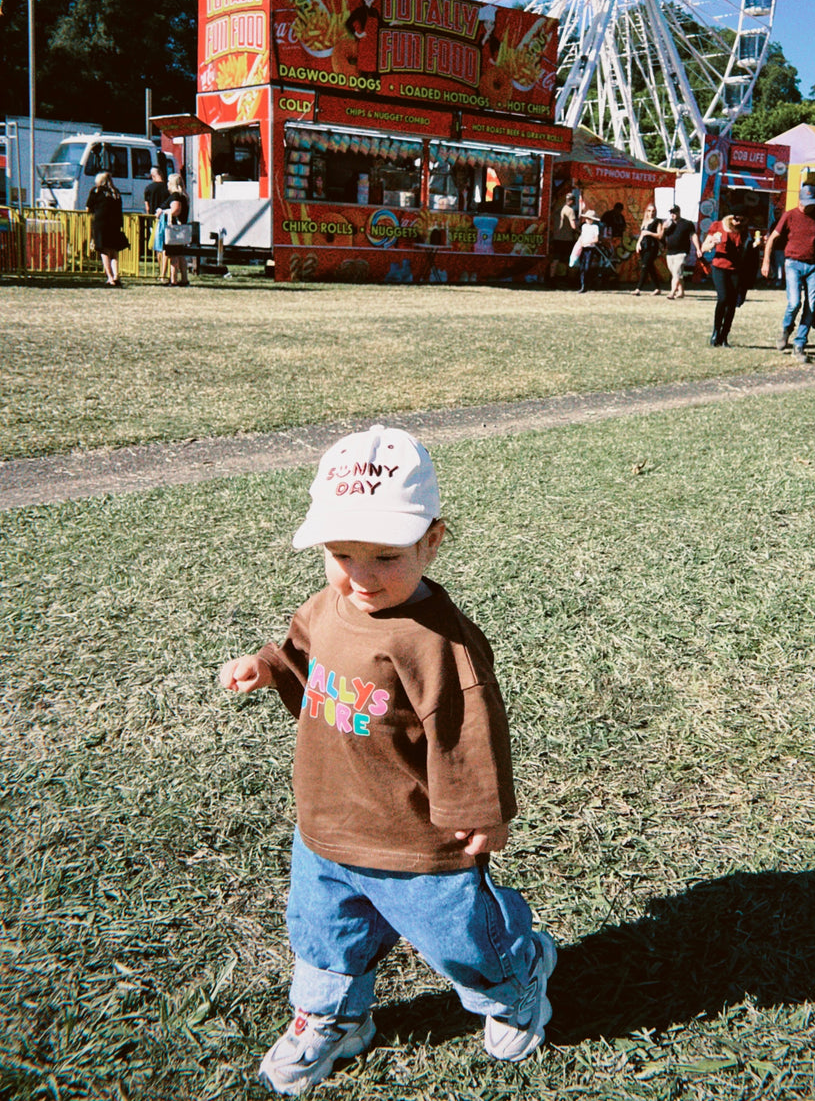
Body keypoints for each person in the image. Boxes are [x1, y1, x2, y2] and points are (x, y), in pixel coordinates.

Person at [219, 425, 555, 1094]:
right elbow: (302, 651)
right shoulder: (328, 604)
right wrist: (267, 665)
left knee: (460, 936)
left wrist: (481, 812)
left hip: (415, 838)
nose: (360, 576)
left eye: (385, 556)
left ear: (433, 538)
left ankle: (518, 975)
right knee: (323, 933)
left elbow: (468, 733)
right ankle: (332, 1018)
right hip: (327, 824)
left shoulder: (436, 642)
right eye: (342, 553)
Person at [760, 186, 815, 364]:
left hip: (814, 266)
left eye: (813, 204)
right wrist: (766, 262)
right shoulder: (789, 215)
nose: (810, 207)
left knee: (812, 305)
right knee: (794, 303)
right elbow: (772, 238)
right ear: (800, 200)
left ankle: (799, 345)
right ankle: (786, 329)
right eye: (807, 204)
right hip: (793, 263)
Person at [701, 213, 746, 346]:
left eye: (742, 220)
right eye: (736, 219)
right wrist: (712, 244)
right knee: (723, 298)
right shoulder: (717, 226)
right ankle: (716, 331)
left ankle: (724, 336)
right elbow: (704, 247)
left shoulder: (743, 230)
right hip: (719, 267)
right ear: (730, 217)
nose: (738, 222)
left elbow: (746, 249)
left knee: (732, 303)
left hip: (736, 269)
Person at [85, 171, 128, 287]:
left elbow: (88, 208)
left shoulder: (96, 191)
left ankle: (110, 277)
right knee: (114, 251)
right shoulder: (116, 192)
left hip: (101, 223)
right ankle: (116, 275)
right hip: (115, 223)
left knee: (104, 251)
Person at [661, 205, 700, 300]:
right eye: (671, 212)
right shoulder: (668, 225)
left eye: (674, 212)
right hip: (670, 252)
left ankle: (672, 292)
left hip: (682, 252)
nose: (672, 214)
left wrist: (698, 248)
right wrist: (663, 228)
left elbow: (693, 236)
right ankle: (681, 291)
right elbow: (661, 237)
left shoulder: (687, 223)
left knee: (677, 272)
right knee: (676, 273)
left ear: (679, 212)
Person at [144, 166, 171, 284]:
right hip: (167, 219)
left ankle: (161, 270)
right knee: (166, 247)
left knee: (158, 247)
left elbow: (147, 207)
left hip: (154, 220)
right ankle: (165, 272)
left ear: (153, 175)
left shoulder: (149, 188)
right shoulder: (168, 188)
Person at [164, 173, 191, 287]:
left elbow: (176, 210)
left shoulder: (175, 196)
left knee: (173, 255)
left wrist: (165, 212)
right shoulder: (184, 196)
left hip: (174, 229)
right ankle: (184, 279)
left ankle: (173, 280)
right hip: (182, 228)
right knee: (181, 255)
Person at [632, 203, 663, 295]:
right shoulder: (645, 221)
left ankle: (638, 288)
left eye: (653, 211)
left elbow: (660, 235)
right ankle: (657, 288)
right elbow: (642, 234)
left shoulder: (658, 221)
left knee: (645, 266)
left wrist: (649, 233)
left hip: (652, 246)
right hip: (644, 246)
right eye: (649, 211)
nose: (651, 213)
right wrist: (638, 244)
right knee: (650, 267)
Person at [550, 189, 578, 283]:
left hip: (556, 237)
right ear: (571, 201)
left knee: (555, 259)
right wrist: (580, 230)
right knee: (569, 260)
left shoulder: (558, 209)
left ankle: (552, 279)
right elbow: (573, 226)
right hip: (566, 239)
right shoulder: (570, 211)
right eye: (574, 201)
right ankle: (569, 279)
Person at [572, 208, 602, 293]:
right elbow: (582, 236)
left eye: (589, 219)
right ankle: (583, 285)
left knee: (587, 267)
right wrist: (580, 243)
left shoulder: (595, 227)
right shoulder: (584, 226)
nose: (588, 220)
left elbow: (596, 239)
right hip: (583, 248)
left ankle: (587, 284)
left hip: (590, 248)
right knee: (582, 267)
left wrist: (588, 242)